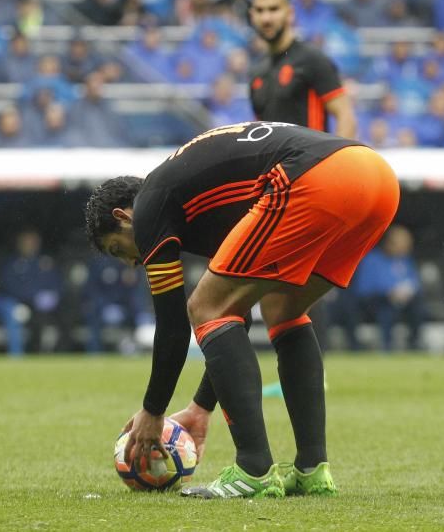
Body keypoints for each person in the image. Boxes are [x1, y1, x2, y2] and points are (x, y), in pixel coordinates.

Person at [84, 122, 400, 498]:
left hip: (318, 178)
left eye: (119, 250)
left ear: (123, 216)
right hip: (374, 176)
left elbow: (173, 325)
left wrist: (153, 411)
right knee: (282, 308)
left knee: (203, 305)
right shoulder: (196, 201)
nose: (133, 263)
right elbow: (237, 311)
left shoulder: (152, 206)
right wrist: (201, 407)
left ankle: (253, 470)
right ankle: (312, 469)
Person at [247, 0, 357, 138]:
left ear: (290, 13)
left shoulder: (312, 59)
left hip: (313, 161)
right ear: (252, 15)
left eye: (273, 9)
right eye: (260, 10)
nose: (266, 18)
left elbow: (345, 116)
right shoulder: (256, 71)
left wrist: (338, 162)